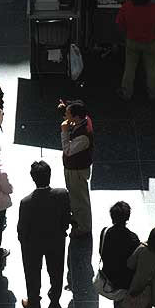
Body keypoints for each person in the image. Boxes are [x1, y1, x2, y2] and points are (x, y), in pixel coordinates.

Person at [18, 161, 71, 308]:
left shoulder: (26, 202)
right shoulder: (62, 194)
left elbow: (22, 228)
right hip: (56, 241)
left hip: (33, 245)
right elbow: (66, 218)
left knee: (32, 273)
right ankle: (54, 299)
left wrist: (24, 241)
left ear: (33, 179)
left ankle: (33, 302)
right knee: (56, 271)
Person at [116, 0, 155, 101]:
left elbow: (119, 23)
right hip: (150, 42)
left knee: (129, 68)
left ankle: (126, 93)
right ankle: (154, 93)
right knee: (151, 69)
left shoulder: (127, 6)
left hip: (132, 41)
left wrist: (127, 33)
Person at [97, 201, 141, 308]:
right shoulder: (133, 239)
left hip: (109, 274)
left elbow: (101, 251)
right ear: (127, 218)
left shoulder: (105, 232)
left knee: (118, 298)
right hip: (124, 279)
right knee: (125, 300)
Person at [59, 100, 93, 239]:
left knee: (80, 199)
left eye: (67, 114)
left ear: (76, 117)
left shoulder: (84, 136)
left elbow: (68, 150)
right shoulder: (83, 119)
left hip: (77, 171)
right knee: (74, 196)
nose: (65, 117)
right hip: (73, 168)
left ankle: (84, 227)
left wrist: (64, 132)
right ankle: (77, 217)